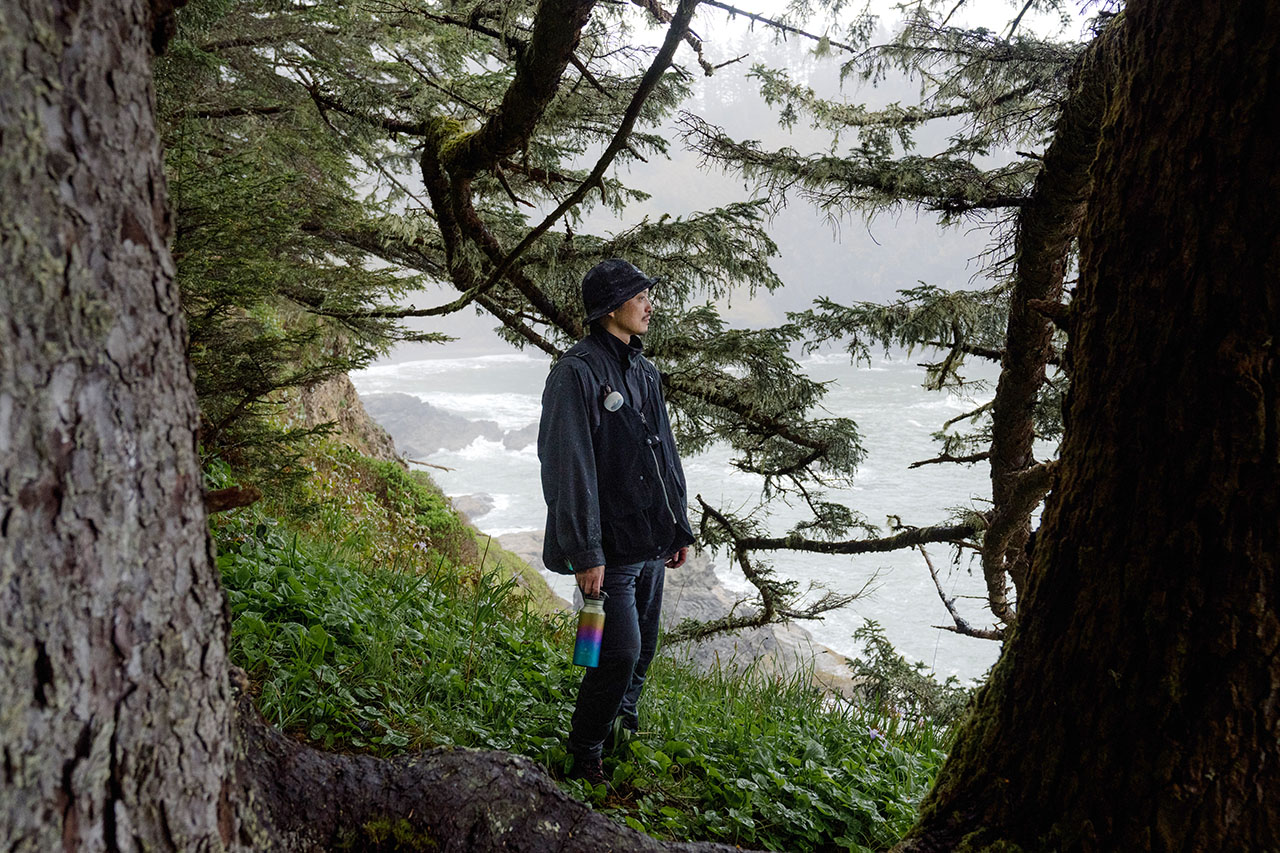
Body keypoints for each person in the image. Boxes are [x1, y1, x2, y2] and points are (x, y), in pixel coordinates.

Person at [538, 258, 696, 784]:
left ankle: (617, 732)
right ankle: (584, 754)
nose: (650, 305)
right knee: (617, 653)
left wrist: (680, 526)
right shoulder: (575, 373)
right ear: (611, 308)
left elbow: (666, 455)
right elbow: (567, 466)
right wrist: (585, 552)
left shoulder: (644, 371)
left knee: (642, 650)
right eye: (640, 297)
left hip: (650, 541)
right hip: (609, 552)